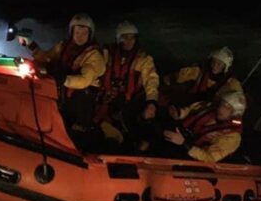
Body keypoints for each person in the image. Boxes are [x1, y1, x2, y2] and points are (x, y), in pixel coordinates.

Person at [13, 14, 106, 149]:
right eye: (77, 32)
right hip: (62, 99)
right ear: (72, 32)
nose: (80, 36)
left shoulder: (94, 56)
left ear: (90, 34)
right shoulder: (63, 46)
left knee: (75, 138)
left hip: (81, 106)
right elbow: (45, 57)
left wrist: (62, 79)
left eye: (84, 33)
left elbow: (84, 81)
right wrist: (30, 43)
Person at [96, 21, 160, 151]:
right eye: (125, 37)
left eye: (132, 37)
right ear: (118, 39)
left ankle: (140, 146)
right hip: (108, 98)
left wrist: (152, 101)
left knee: (145, 120)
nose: (129, 41)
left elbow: (151, 79)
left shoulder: (143, 59)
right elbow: (93, 70)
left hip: (130, 100)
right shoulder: (106, 54)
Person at [151, 90, 246, 163]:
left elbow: (209, 157)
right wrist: (179, 113)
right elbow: (191, 110)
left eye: (228, 108)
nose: (221, 108)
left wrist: (184, 144)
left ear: (235, 113)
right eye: (223, 104)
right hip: (181, 137)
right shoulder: (209, 107)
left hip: (192, 156)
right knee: (154, 124)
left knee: (165, 150)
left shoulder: (232, 137)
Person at [161, 46, 243, 107]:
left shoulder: (231, 83)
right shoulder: (198, 71)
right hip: (191, 105)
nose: (215, 66)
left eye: (219, 64)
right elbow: (179, 75)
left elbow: (239, 101)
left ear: (225, 67)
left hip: (210, 110)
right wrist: (170, 79)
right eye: (214, 62)